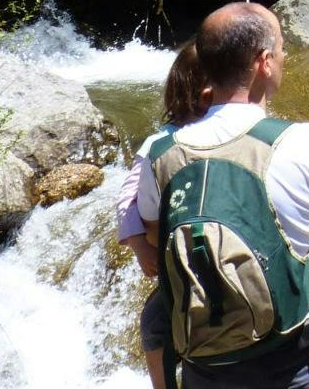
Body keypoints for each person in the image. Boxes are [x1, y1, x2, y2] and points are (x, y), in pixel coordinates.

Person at [135, 3, 309, 389]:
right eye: (281, 48)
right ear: (264, 62)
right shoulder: (300, 140)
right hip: (297, 364)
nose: (284, 57)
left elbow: (154, 235)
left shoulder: (159, 154)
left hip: (207, 368)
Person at [117, 41, 211, 389]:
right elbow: (127, 199)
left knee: (155, 324)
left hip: (189, 260)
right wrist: (141, 245)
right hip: (192, 258)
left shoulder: (163, 142)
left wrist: (143, 244)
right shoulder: (158, 145)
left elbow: (127, 201)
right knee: (155, 323)